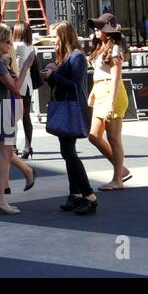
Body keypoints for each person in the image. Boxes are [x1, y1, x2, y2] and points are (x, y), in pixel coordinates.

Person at [40, 21, 97, 215]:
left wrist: (53, 76)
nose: (53, 41)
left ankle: (89, 195)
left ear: (64, 36)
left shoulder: (77, 57)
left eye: (55, 36)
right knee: (67, 152)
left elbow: (75, 85)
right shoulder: (67, 57)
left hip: (72, 107)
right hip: (66, 105)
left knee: (69, 153)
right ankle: (76, 194)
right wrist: (53, 73)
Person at [0, 23, 36, 215]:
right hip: (1, 108)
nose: (10, 45)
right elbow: (15, 87)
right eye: (7, 41)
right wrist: (26, 67)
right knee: (4, 155)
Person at [87, 18, 131, 191]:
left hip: (111, 93)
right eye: (97, 27)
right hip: (101, 90)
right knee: (94, 136)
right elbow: (100, 73)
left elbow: (115, 77)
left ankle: (118, 178)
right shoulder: (102, 47)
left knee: (113, 138)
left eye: (100, 27)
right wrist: (93, 92)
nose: (97, 30)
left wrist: (111, 102)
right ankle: (121, 170)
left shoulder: (114, 49)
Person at [12, 22, 36, 159]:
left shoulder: (16, 46)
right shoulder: (31, 46)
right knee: (26, 117)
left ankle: (14, 147)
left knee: (13, 117)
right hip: (28, 84)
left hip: (16, 83)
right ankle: (27, 147)